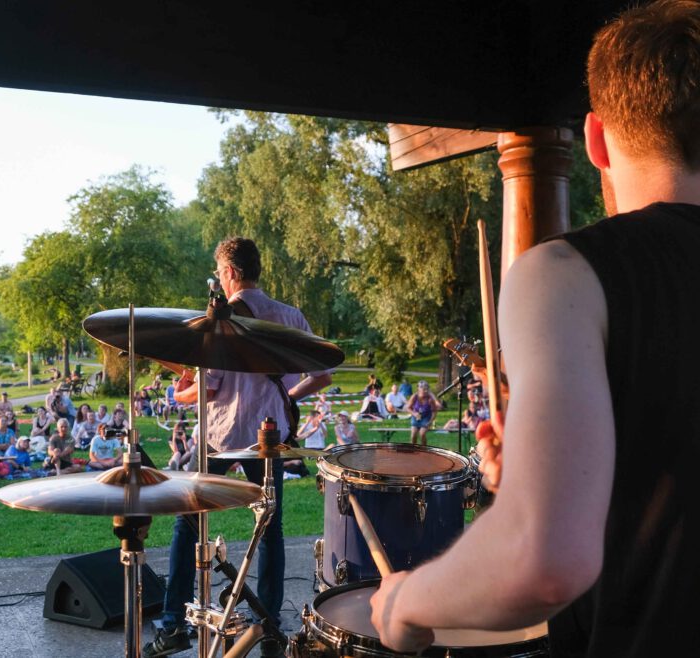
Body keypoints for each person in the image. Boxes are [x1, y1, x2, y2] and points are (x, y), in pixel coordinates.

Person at [370, 3, 700, 656]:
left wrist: (405, 602)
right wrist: (534, 479)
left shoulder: (567, 273)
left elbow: (547, 559)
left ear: (596, 138)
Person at [144, 237, 332, 657]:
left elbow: (207, 389)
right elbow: (323, 376)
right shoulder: (290, 317)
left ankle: (174, 623)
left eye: (219, 273)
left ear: (229, 272)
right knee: (270, 531)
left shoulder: (218, 323)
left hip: (221, 437)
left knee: (188, 523)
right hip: (269, 438)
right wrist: (287, 396)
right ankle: (267, 622)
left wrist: (179, 394)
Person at [404, 381, 438, 446]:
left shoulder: (430, 399)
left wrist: (430, 422)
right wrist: (414, 413)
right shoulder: (414, 396)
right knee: (413, 434)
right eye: (423, 389)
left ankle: (423, 449)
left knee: (422, 434)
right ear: (419, 389)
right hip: (416, 417)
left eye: (426, 389)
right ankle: (413, 449)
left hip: (426, 418)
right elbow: (408, 408)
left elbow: (434, 411)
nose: (425, 391)